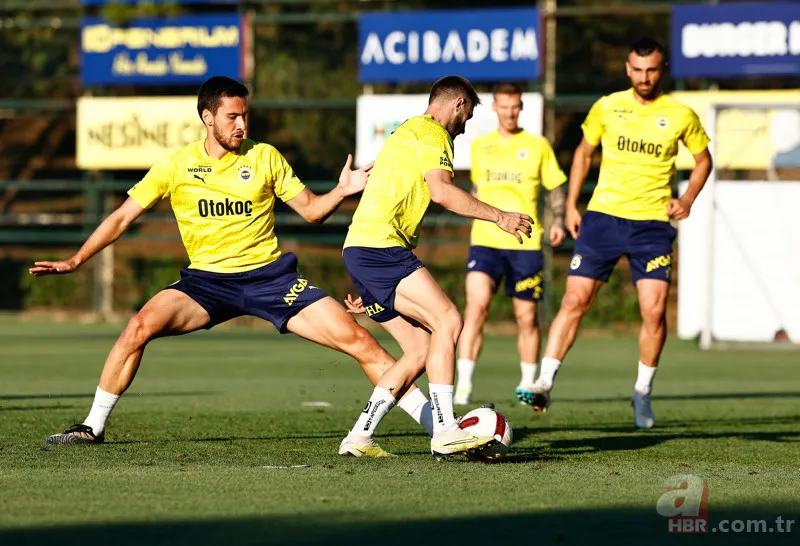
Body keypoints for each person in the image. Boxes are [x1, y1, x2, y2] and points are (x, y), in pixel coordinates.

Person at [31, 76, 436, 447]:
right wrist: (76, 259)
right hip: (205, 284)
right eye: (232, 117)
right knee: (138, 326)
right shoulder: (177, 165)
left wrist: (342, 190)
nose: (241, 125)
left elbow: (312, 211)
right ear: (207, 118)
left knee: (360, 341)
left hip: (271, 280)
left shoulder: (264, 157)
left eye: (245, 115)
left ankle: (440, 429)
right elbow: (122, 217)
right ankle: (92, 426)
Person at [515, 38, 713, 428]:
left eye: (652, 70)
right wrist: (572, 204)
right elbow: (584, 154)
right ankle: (543, 382)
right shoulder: (607, 106)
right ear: (627, 69)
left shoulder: (680, 114)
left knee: (654, 311)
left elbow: (704, 160)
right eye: (637, 70)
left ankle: (642, 392)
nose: (644, 77)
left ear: (663, 68)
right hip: (603, 218)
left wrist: (687, 198)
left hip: (652, 225)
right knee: (575, 299)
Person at [337, 75, 534, 460]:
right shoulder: (432, 133)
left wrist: (373, 284)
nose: (464, 127)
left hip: (362, 250)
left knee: (419, 350)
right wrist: (500, 217)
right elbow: (442, 192)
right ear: (458, 103)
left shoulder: (405, 132)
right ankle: (445, 430)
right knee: (449, 320)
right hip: (380, 247)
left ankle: (359, 436)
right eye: (468, 115)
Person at [452, 81, 568, 406]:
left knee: (526, 316)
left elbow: (556, 187)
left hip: (526, 244)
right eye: (504, 106)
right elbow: (476, 189)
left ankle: (528, 385)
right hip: (485, 240)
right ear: (495, 107)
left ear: (521, 107)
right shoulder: (480, 146)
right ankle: (464, 386)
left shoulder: (538, 146)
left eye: (515, 106)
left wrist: (558, 220)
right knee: (476, 307)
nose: (509, 112)